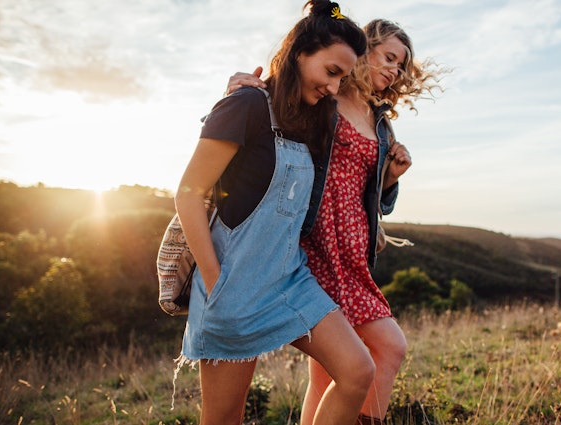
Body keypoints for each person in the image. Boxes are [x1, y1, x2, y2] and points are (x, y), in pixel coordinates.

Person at [226, 18, 443, 425]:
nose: (394, 71)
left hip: (352, 249)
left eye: (401, 66)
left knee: (328, 372)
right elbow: (271, 110)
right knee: (389, 347)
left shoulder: (382, 121)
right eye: (389, 58)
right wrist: (238, 89)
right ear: (366, 50)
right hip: (311, 240)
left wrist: (390, 178)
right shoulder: (325, 93)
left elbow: (373, 195)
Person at [173, 2, 373, 424]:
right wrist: (216, 281)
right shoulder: (245, 105)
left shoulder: (317, 119)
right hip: (234, 287)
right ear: (300, 52)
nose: (335, 87)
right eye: (331, 72)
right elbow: (188, 194)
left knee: (358, 371)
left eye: (343, 77)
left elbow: (369, 129)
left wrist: (390, 174)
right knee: (224, 419)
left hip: (290, 280)